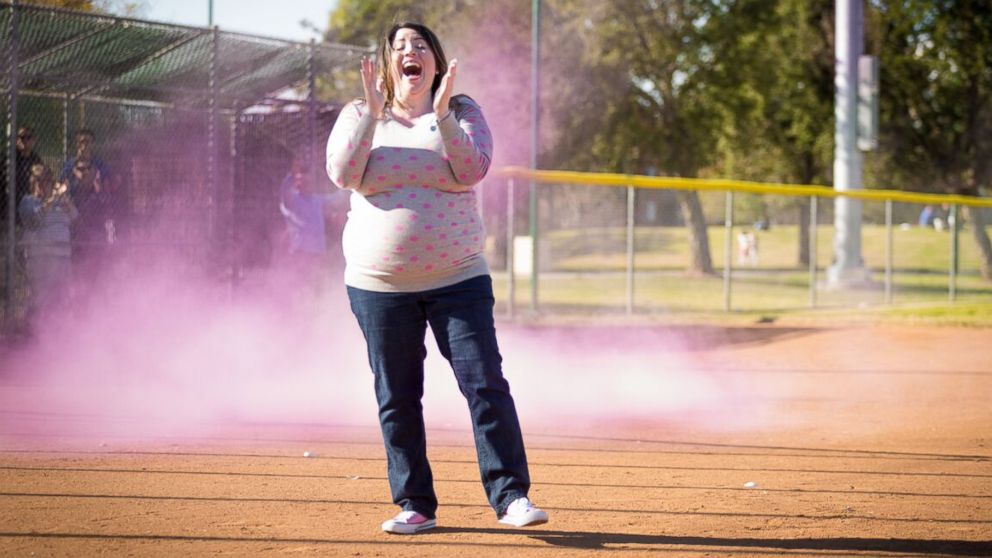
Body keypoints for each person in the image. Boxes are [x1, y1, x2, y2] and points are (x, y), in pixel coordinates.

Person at [325, 22, 548, 535]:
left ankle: (511, 496)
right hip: (378, 286)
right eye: (400, 47)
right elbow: (343, 172)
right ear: (386, 64)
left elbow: (471, 169)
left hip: (459, 279)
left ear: (436, 61)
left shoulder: (463, 110)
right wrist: (373, 116)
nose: (410, 52)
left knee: (485, 384)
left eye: (420, 45)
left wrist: (444, 114)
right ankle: (415, 504)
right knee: (397, 395)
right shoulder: (358, 114)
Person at [18, 163, 77, 323]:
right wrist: (52, 199)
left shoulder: (59, 203)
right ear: (33, 182)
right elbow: (35, 220)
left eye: (48, 181)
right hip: (40, 259)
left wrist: (63, 198)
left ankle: (57, 331)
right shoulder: (28, 201)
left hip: (62, 258)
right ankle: (33, 333)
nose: (45, 184)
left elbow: (74, 217)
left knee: (61, 297)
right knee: (40, 298)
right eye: (40, 181)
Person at [279, 154, 342, 288]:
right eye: (304, 182)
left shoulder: (316, 200)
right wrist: (292, 175)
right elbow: (284, 192)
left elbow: (336, 198)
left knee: (315, 285)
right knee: (300, 285)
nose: (308, 185)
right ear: (297, 185)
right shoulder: (293, 201)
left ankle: (313, 306)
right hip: (300, 252)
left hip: (317, 252)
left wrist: (349, 185)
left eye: (309, 182)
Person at [60, 129, 111, 197]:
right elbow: (62, 186)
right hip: (73, 202)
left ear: (92, 144)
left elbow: (106, 188)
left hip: (95, 202)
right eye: (82, 141)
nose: (85, 144)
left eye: (88, 141)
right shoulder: (69, 165)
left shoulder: (99, 165)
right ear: (77, 144)